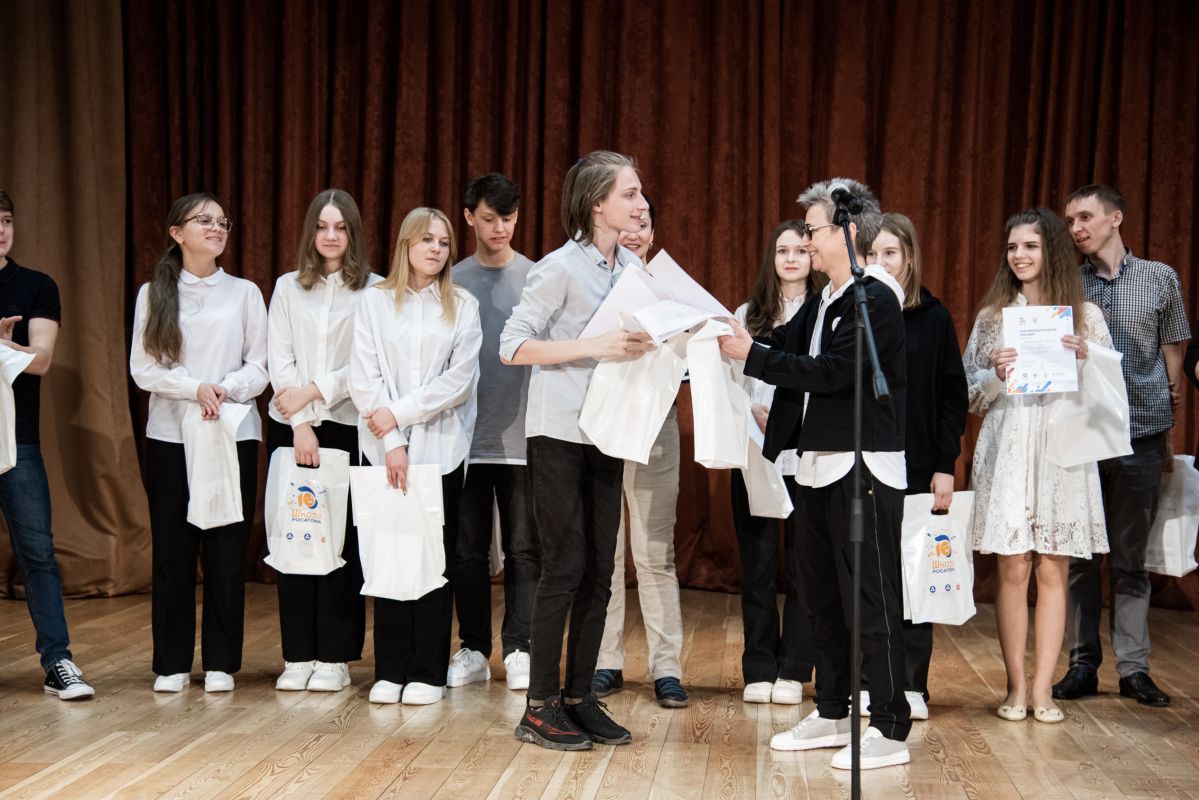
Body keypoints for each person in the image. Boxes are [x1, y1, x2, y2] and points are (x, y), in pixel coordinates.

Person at [720, 178, 912, 770]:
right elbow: (786, 339)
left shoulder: (874, 297)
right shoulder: (827, 297)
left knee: (871, 599)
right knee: (822, 599)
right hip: (817, 465)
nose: (805, 241)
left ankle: (889, 725)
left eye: (812, 230)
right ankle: (832, 711)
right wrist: (732, 336)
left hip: (863, 467)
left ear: (847, 232)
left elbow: (833, 371)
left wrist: (752, 356)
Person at [500, 150, 653, 751]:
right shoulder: (558, 268)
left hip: (608, 431)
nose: (640, 204)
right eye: (630, 194)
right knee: (564, 567)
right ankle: (539, 706)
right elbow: (513, 346)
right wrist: (595, 345)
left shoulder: (631, 269)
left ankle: (580, 697)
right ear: (597, 204)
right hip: (559, 431)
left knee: (600, 572)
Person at [963, 207, 1110, 724]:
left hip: (1061, 449)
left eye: (1030, 245)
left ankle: (1044, 688)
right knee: (1013, 565)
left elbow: (1109, 397)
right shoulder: (994, 317)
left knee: (1053, 565)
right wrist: (996, 373)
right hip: (1009, 446)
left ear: (1052, 250)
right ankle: (1015, 686)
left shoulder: (1085, 317)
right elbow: (969, 395)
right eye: (1012, 247)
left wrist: (1087, 360)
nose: (1019, 255)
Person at [1054, 185, 1189, 709]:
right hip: (1085, 433)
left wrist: (1168, 420)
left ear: (1116, 218)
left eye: (1085, 217)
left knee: (1131, 559)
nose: (1076, 228)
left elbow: (1172, 349)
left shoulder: (1159, 278)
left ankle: (1134, 668)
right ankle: (1082, 665)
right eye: (1070, 220)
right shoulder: (1069, 283)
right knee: (1083, 556)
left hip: (1142, 433)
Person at [130, 192, 269, 693]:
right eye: (204, 221)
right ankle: (171, 662)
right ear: (177, 233)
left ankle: (221, 663)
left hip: (232, 431)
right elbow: (144, 369)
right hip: (172, 434)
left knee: (226, 548)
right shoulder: (154, 293)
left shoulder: (245, 293)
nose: (216, 228)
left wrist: (225, 389)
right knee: (173, 548)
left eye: (222, 222)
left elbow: (261, 365)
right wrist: (195, 388)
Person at [349, 207, 481, 706]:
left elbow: (458, 381)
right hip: (383, 449)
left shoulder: (462, 305)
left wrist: (399, 414)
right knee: (389, 553)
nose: (436, 249)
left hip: (441, 451)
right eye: (426, 240)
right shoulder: (375, 301)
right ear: (405, 243)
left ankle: (427, 669)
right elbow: (363, 376)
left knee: (432, 558)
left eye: (444, 242)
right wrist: (393, 440)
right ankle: (390, 667)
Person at [267, 189, 380, 693]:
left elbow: (366, 363)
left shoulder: (375, 291)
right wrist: (299, 422)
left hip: (347, 424)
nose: (331, 236)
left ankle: (334, 656)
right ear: (310, 232)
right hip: (294, 424)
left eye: (340, 227)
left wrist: (315, 392)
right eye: (322, 226)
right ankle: (298, 654)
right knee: (296, 535)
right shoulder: (288, 287)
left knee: (341, 543)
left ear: (353, 233)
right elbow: (279, 357)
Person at [860, 213, 968, 721]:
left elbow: (952, 395)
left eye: (891, 253)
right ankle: (868, 682)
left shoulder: (933, 317)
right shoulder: (855, 312)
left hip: (919, 465)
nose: (881, 263)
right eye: (872, 254)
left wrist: (946, 464)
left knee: (915, 576)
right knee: (869, 575)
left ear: (909, 258)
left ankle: (911, 685)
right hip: (865, 462)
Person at [592, 196, 691, 709]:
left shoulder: (672, 292)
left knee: (654, 553)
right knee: (604, 552)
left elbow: (690, 366)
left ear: (652, 235)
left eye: (644, 223)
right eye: (628, 221)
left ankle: (666, 667)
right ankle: (604, 661)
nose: (634, 231)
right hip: (602, 426)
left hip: (656, 425)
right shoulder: (593, 283)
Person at [726, 219, 825, 706]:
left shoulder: (825, 311)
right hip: (754, 451)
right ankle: (760, 666)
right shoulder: (748, 314)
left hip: (807, 451)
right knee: (758, 564)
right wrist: (752, 412)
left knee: (806, 566)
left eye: (800, 250)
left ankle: (794, 669)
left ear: (813, 257)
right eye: (782, 250)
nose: (790, 259)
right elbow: (729, 382)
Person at [0, 191, 94, 700]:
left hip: (18, 443)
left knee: (37, 553)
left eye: (6, 220)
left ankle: (58, 661)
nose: (1, 231)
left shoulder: (36, 286)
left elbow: (39, 361)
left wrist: (5, 346)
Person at [448, 173, 539, 693]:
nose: (499, 228)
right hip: (464, 439)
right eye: (488, 218)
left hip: (524, 437)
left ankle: (520, 646)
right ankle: (474, 648)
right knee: (467, 550)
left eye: (507, 218)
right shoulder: (451, 280)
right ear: (469, 217)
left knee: (526, 549)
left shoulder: (537, 276)